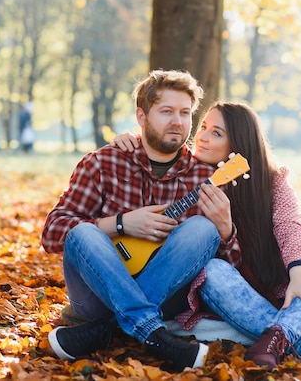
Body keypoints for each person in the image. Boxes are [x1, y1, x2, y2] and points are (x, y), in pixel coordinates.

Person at [111, 100, 301, 370]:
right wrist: (130, 141)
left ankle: (280, 336)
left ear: (239, 145)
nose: (202, 137)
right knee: (210, 271)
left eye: (216, 133)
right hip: (238, 300)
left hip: (295, 299)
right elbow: (156, 154)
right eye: (203, 127)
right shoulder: (187, 178)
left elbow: (290, 226)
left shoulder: (273, 181)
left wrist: (299, 272)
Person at [41, 70, 235, 372]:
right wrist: (120, 224)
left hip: (166, 298)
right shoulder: (104, 163)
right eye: (167, 111)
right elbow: (52, 233)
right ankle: (152, 332)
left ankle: (111, 330)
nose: (178, 122)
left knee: (203, 229)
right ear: (141, 116)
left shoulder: (205, 177)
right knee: (82, 233)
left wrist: (226, 230)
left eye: (185, 113)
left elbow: (226, 267)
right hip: (94, 298)